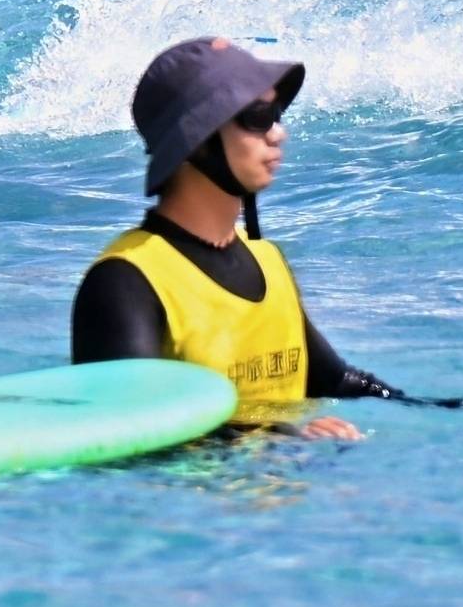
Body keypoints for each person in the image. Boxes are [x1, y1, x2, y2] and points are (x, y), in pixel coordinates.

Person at [71, 38, 407, 438]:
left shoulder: (267, 259)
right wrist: (279, 440)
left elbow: (334, 381)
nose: (278, 133)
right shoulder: (123, 282)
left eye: (276, 114)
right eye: (258, 117)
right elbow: (136, 431)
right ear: (197, 138)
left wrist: (453, 410)